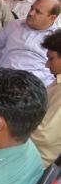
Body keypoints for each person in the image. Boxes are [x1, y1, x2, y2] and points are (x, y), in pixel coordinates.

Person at [0, 0, 59, 86]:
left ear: (52, 17)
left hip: (35, 84)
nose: (31, 13)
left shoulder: (57, 37)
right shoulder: (14, 25)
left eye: (38, 12)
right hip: (3, 77)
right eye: (32, 8)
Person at [31, 30, 61, 166]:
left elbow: (44, 135)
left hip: (38, 160)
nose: (47, 65)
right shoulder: (57, 81)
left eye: (51, 58)